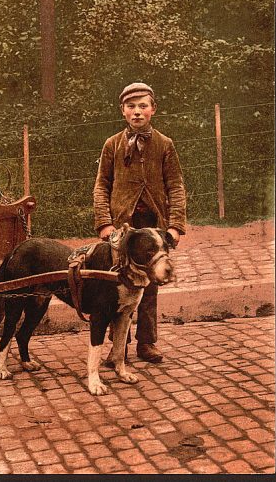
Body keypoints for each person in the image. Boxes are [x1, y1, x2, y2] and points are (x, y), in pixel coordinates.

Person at [93, 82, 187, 364]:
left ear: (153, 110)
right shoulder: (112, 144)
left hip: (154, 226)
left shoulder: (165, 144)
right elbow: (101, 187)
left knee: (150, 284)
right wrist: (104, 224)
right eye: (131, 107)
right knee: (117, 284)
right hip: (123, 228)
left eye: (143, 106)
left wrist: (175, 226)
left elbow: (176, 187)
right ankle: (117, 347)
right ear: (123, 111)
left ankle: (147, 342)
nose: (137, 112)